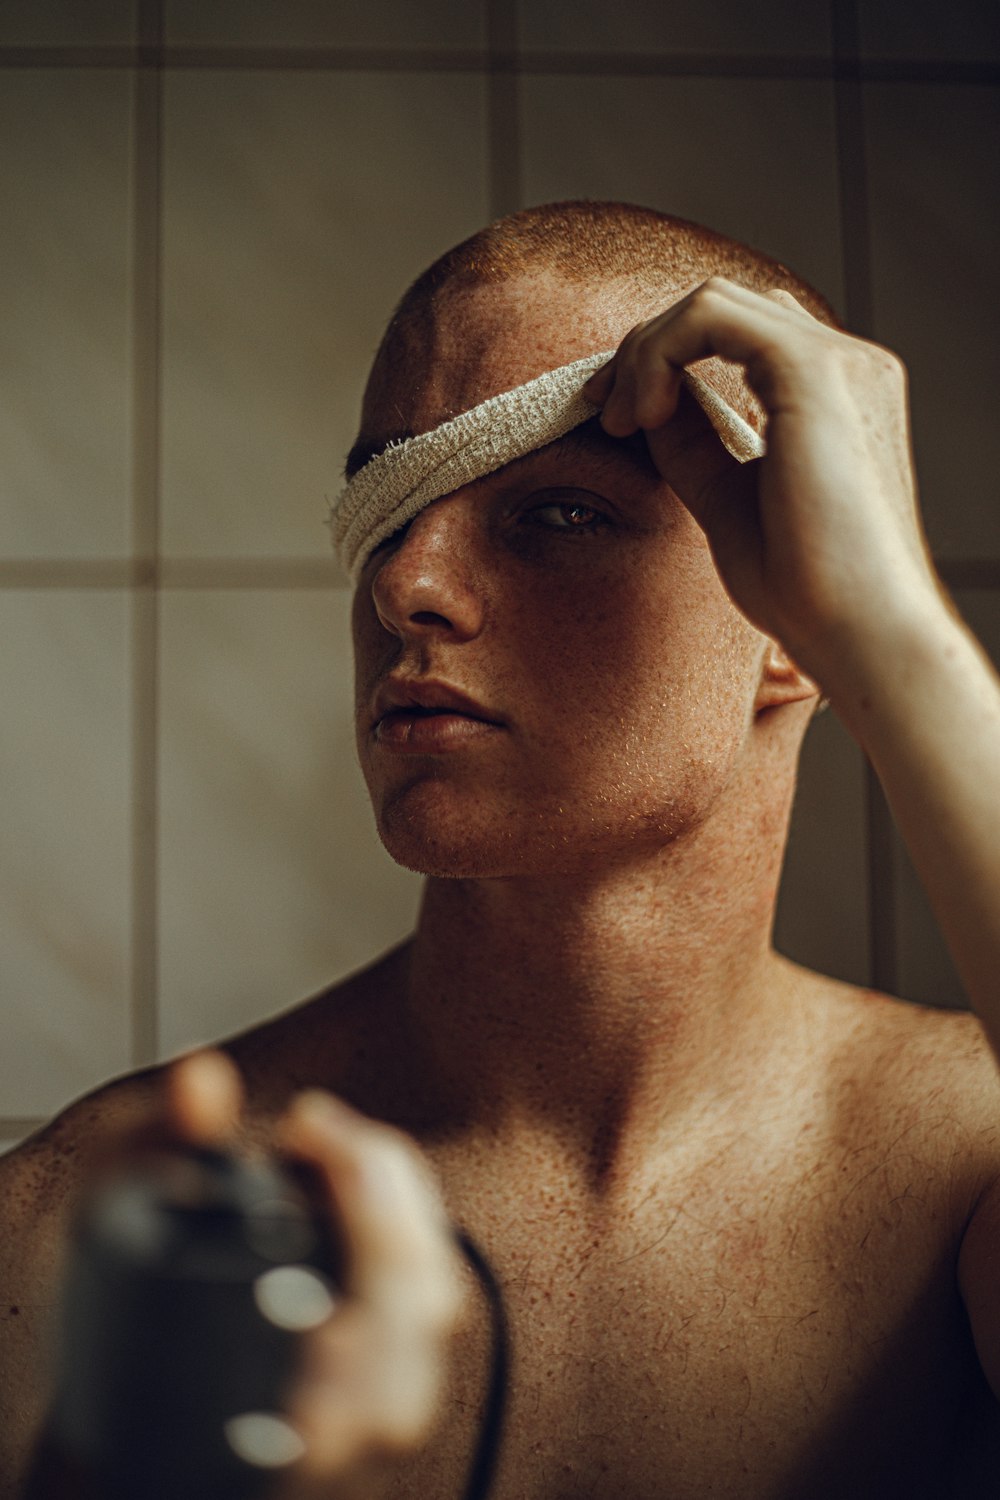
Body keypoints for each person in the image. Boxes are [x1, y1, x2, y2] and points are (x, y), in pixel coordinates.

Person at [4, 197, 1000, 1499]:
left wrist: (896, 634)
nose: (402, 583)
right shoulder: (73, 1245)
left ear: (792, 626)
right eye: (386, 502)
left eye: (561, 515)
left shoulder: (963, 1172)